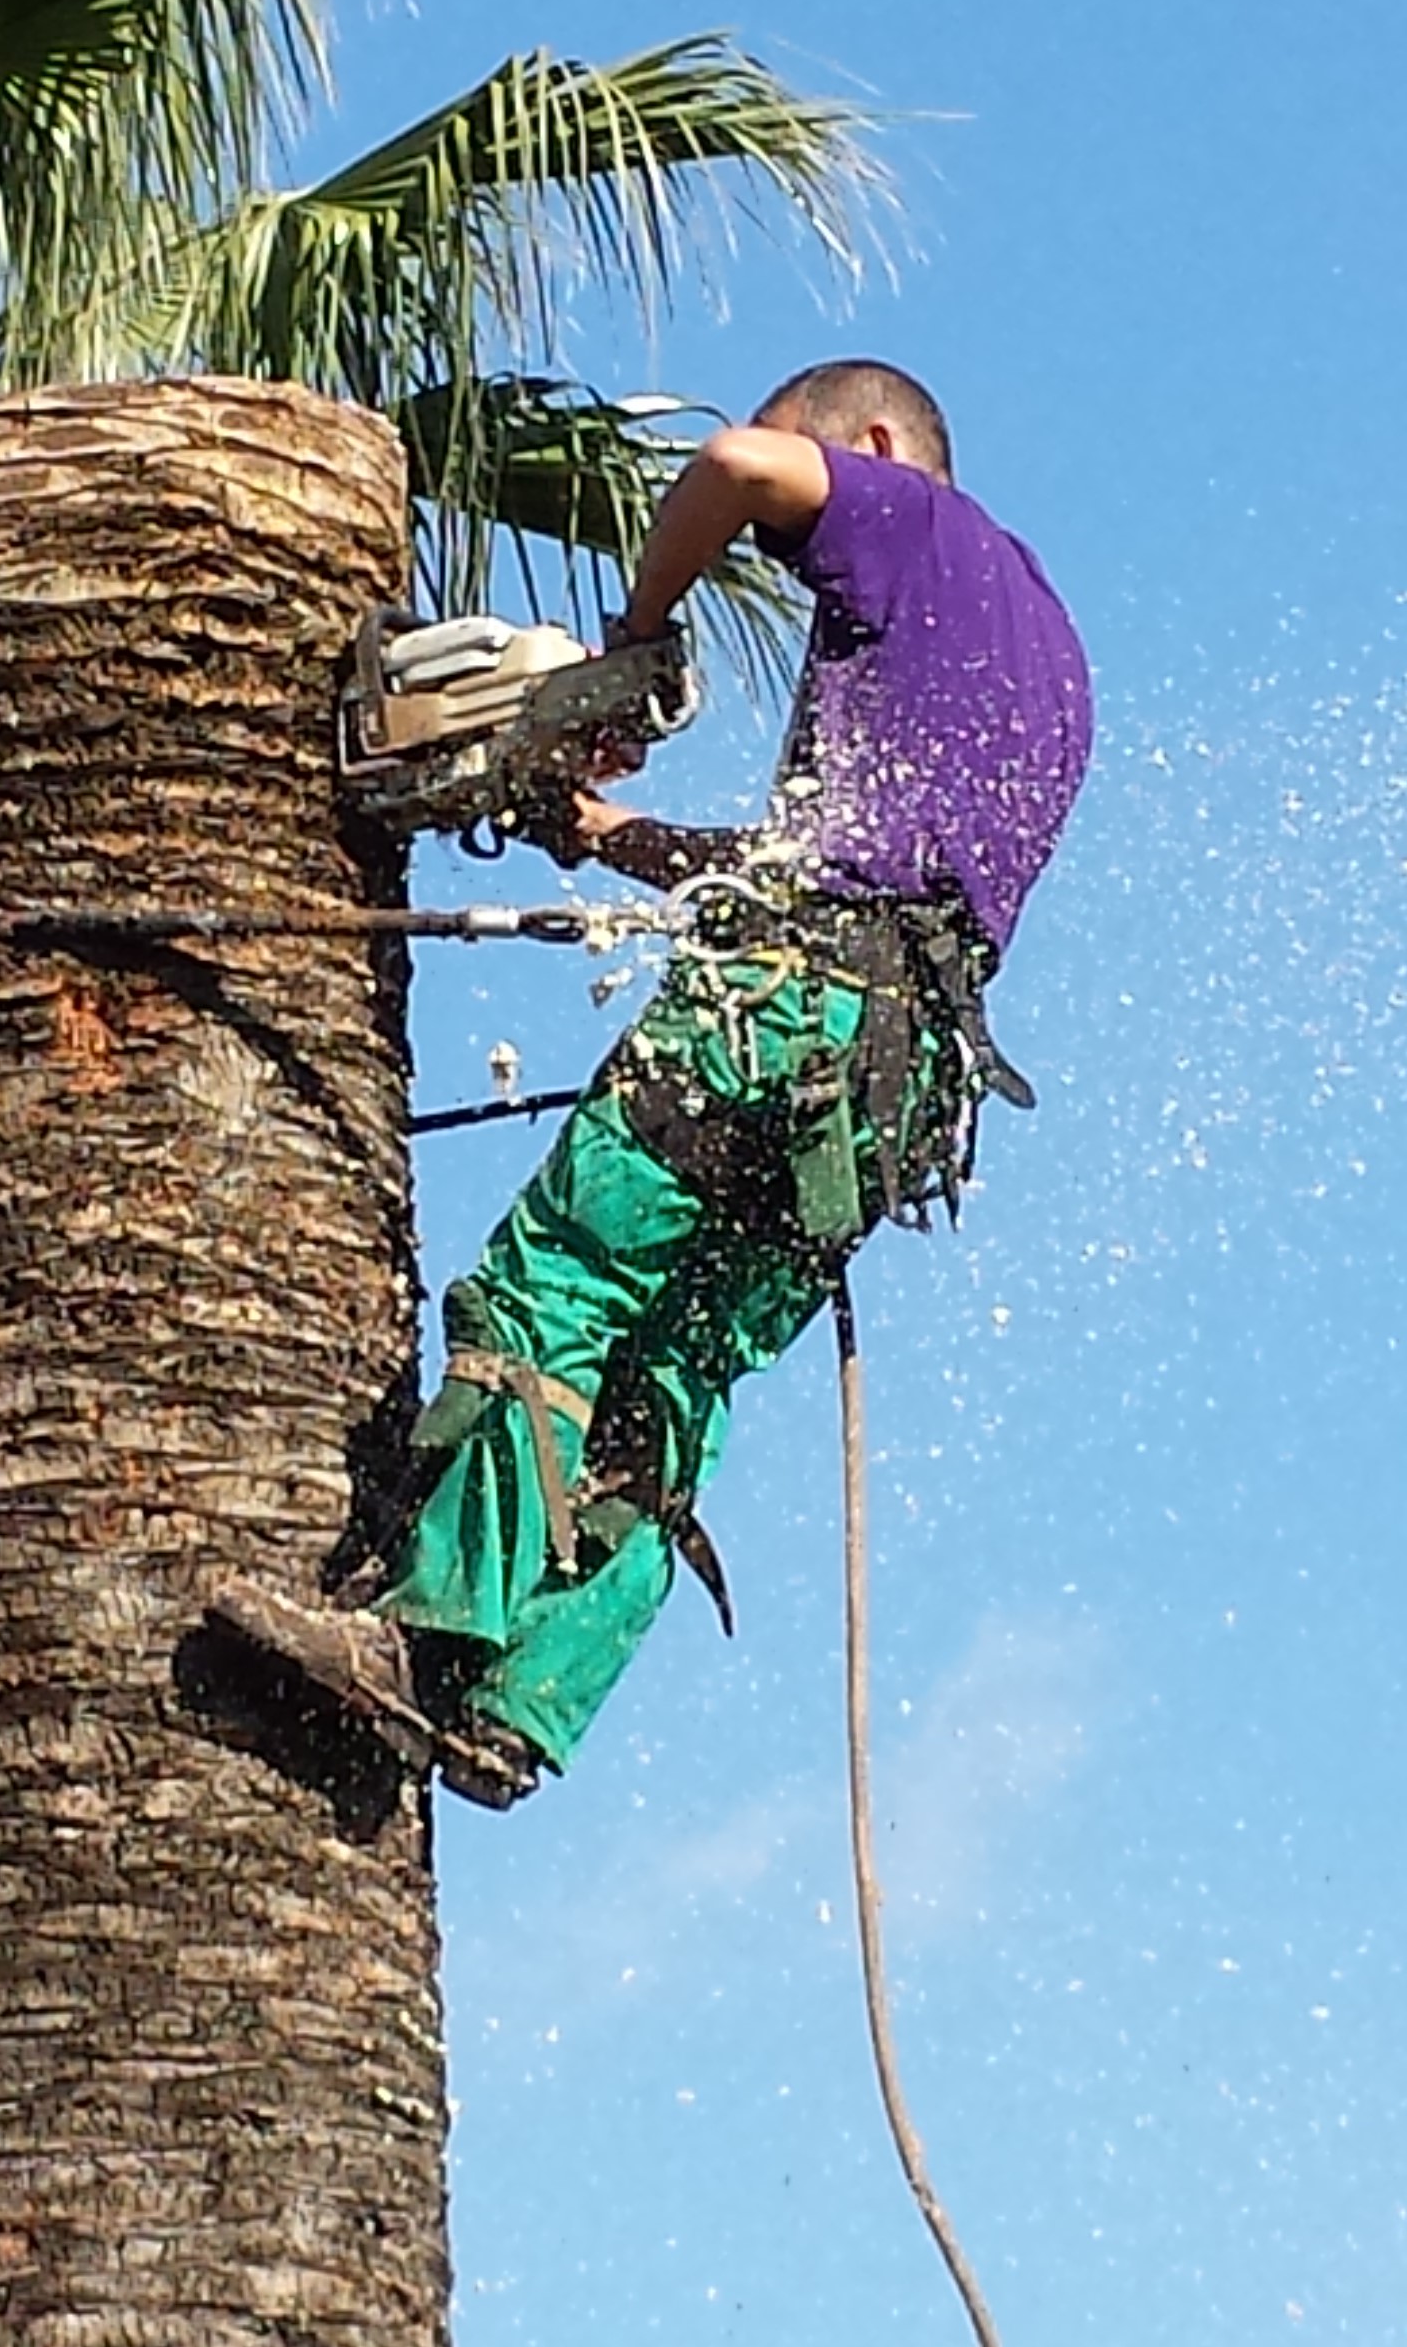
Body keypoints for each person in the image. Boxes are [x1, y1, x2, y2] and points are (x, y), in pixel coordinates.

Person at [218, 358, 1092, 1806]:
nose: (778, 555)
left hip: (777, 1012)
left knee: (554, 1286)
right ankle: (519, 1704)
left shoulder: (918, 524)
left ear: (875, 447)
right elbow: (833, 876)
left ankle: (414, 1628)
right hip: (894, 1077)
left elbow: (742, 466)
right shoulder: (1034, 649)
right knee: (677, 1366)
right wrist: (605, 831)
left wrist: (630, 640)